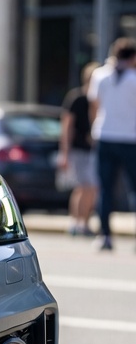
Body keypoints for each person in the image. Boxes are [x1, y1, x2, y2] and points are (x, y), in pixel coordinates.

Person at [88, 38, 136, 251]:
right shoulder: (134, 78)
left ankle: (105, 235)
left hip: (105, 136)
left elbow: (94, 106)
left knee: (106, 189)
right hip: (129, 139)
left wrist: (93, 130)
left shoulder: (100, 75)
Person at [59, 62, 100, 236]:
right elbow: (67, 126)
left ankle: (84, 221)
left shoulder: (97, 99)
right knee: (83, 186)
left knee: (92, 188)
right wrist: (65, 152)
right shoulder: (76, 98)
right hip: (77, 149)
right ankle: (76, 223)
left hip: (93, 149)